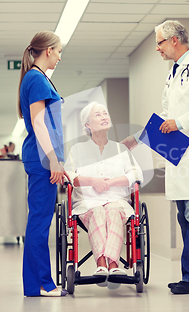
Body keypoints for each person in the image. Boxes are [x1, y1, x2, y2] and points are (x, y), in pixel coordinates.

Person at [121, 20, 189, 294]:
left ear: (175, 40)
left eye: (160, 42)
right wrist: (139, 137)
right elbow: (165, 118)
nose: (157, 48)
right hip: (179, 157)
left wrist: (180, 122)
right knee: (185, 218)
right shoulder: (173, 73)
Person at [64, 102, 143, 290]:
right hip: (87, 203)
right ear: (88, 125)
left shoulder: (121, 150)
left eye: (105, 113)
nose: (104, 116)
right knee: (98, 211)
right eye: (98, 115)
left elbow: (136, 174)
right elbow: (70, 175)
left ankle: (112, 266)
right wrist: (93, 181)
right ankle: (102, 264)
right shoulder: (77, 150)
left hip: (118, 201)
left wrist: (110, 183)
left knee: (113, 209)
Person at [18, 30, 71, 297]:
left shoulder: (37, 78)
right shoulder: (37, 79)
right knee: (40, 221)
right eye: (59, 51)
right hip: (42, 159)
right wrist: (53, 160)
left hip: (42, 158)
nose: (60, 56)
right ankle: (42, 283)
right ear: (48, 50)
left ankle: (34, 284)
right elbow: (39, 123)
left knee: (38, 220)